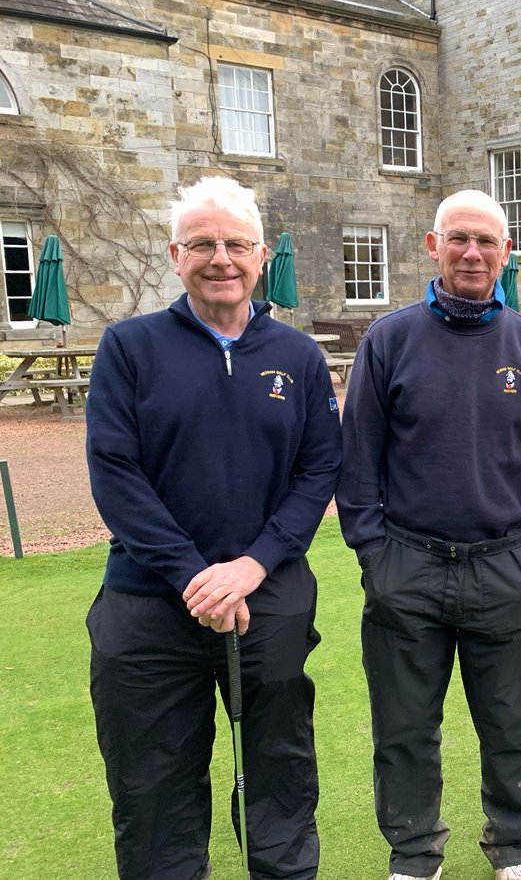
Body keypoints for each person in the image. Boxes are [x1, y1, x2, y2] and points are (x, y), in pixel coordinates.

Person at [85, 175, 342, 880]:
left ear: (261, 256)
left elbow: (318, 473)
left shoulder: (297, 357)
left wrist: (250, 567)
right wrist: (194, 575)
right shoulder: (129, 348)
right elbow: (115, 473)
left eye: (235, 244)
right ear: (175, 255)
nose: (220, 258)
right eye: (202, 244)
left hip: (270, 596)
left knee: (280, 776)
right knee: (153, 788)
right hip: (148, 605)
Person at [336, 190, 521, 880]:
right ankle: (415, 855)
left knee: (512, 726)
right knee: (405, 729)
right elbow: (359, 460)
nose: (473, 253)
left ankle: (515, 851)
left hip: (506, 565)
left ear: (506, 253)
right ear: (433, 245)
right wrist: (374, 553)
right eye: (460, 239)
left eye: (488, 242)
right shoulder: (389, 338)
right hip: (408, 563)